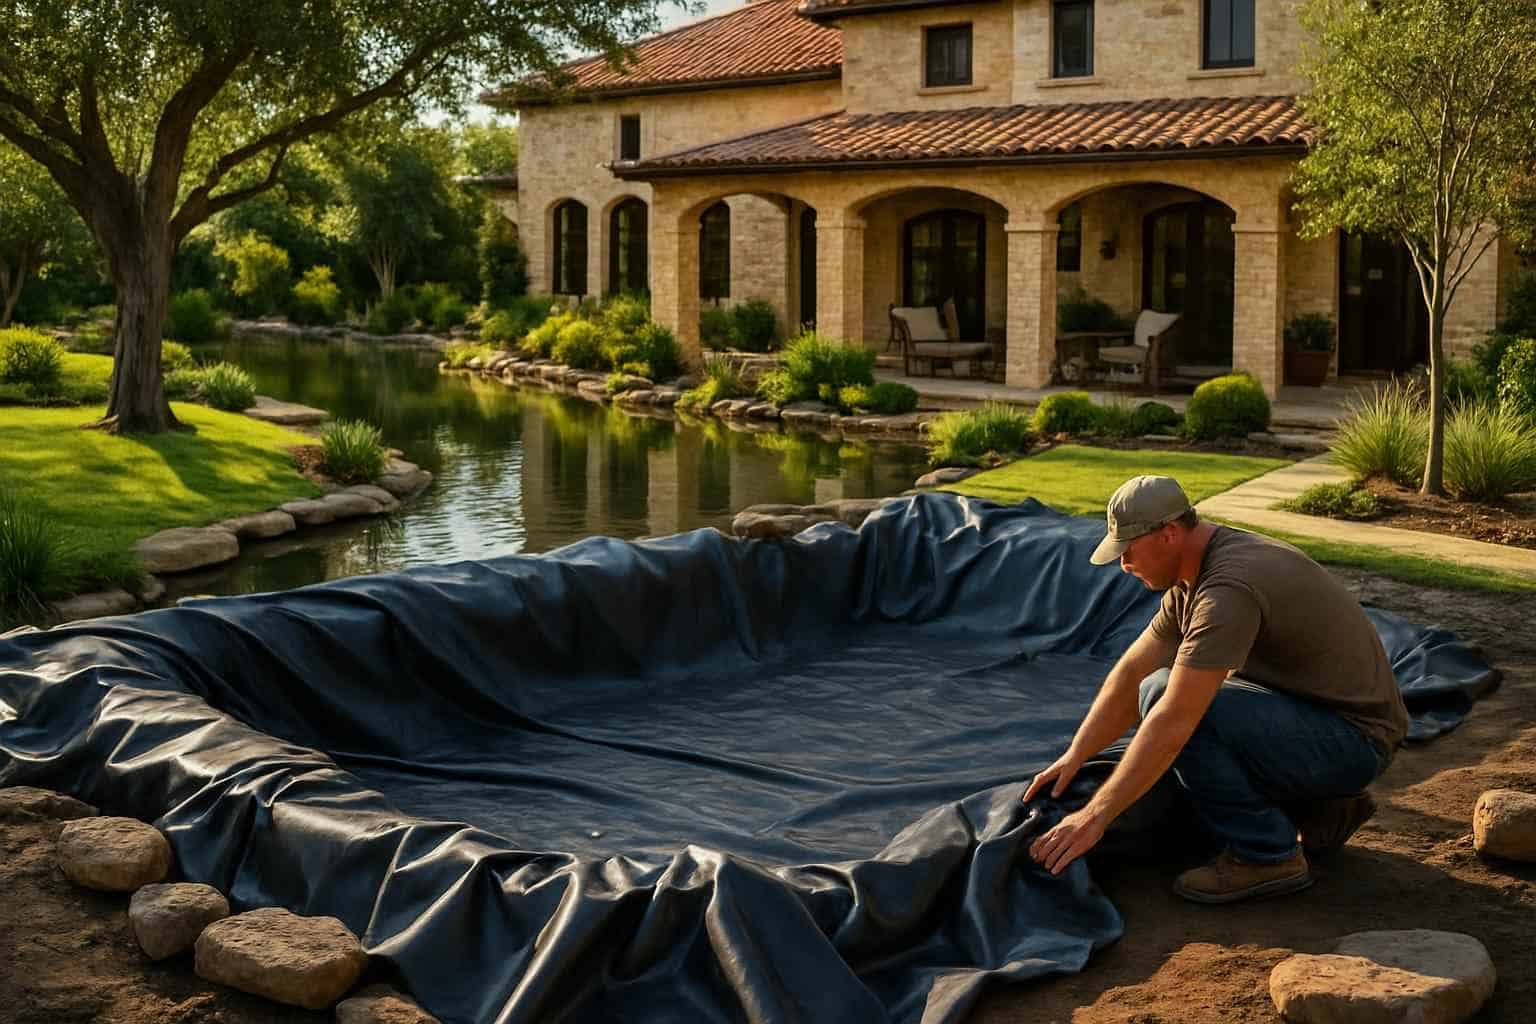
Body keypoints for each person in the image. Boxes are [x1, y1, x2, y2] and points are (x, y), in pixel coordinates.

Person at [1024, 475, 1407, 903]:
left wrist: (1094, 816)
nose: (1124, 564)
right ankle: (1320, 811)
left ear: (1169, 533)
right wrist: (1077, 755)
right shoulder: (1198, 570)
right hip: (1318, 717)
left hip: (1355, 740)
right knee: (1157, 688)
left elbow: (1175, 718)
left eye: (1128, 549)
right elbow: (1132, 672)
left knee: (1172, 701)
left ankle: (1267, 854)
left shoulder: (1228, 588)